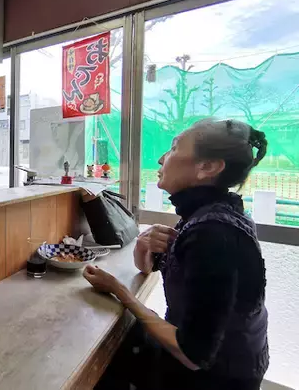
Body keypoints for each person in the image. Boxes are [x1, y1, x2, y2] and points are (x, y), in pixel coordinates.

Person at [86, 119, 269, 390]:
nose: (161, 159)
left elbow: (194, 355)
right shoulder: (204, 213)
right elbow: (149, 267)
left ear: (207, 167)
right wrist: (142, 245)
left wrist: (120, 291)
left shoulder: (213, 233)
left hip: (217, 378)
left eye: (173, 148)